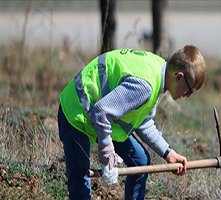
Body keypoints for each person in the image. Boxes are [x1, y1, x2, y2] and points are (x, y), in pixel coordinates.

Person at [57, 45, 206, 200]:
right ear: (179, 76)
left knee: (140, 161)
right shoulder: (145, 86)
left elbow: (144, 122)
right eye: (189, 90)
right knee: (80, 182)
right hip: (76, 111)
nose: (187, 96)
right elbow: (101, 112)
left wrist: (168, 153)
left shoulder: (159, 71)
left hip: (100, 116)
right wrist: (107, 156)